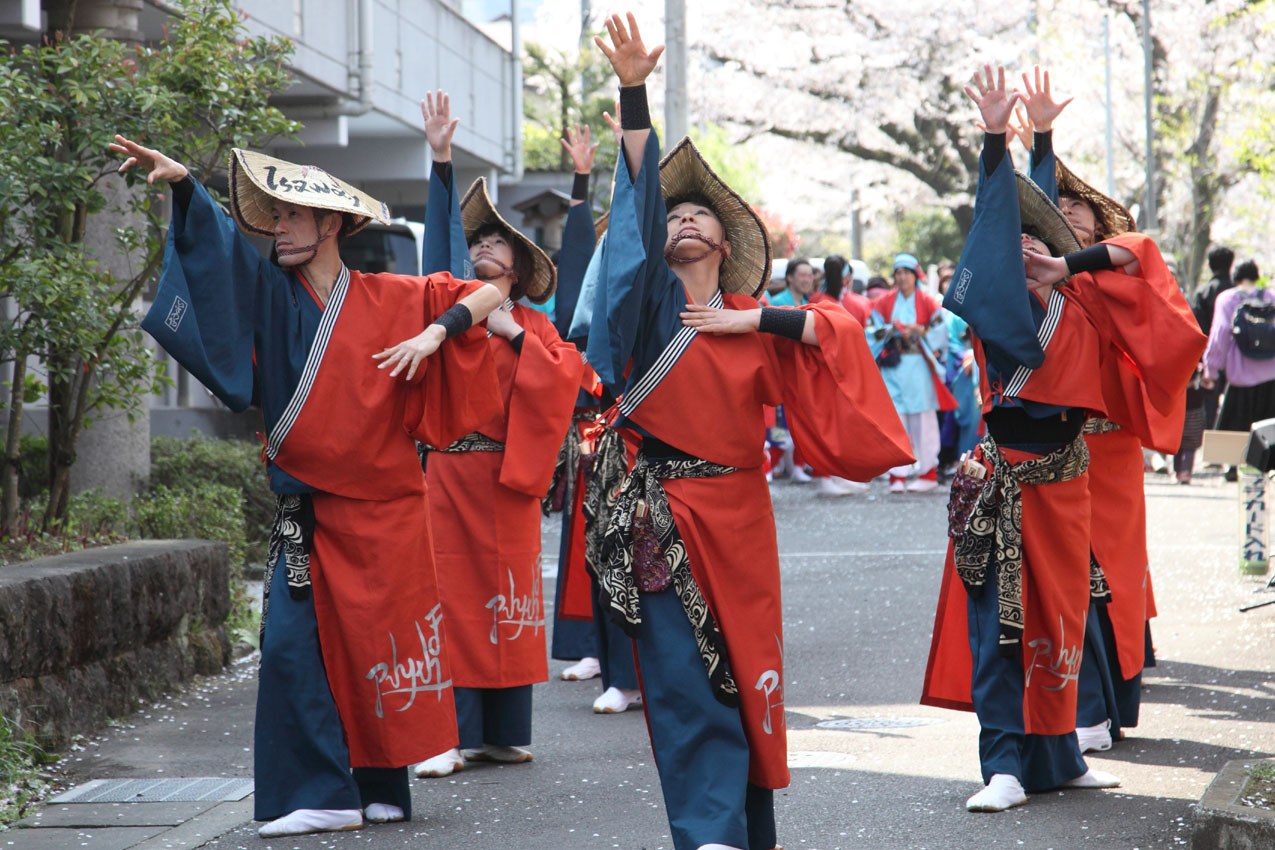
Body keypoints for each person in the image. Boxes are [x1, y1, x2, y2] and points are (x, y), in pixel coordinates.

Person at [114, 135, 505, 837]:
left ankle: (380, 784)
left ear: (332, 224)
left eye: (291, 216)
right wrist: (183, 190)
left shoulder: (392, 297)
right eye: (273, 217)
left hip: (388, 508)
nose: (277, 229)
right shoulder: (271, 293)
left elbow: (488, 291)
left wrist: (434, 334)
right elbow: (217, 258)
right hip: (308, 511)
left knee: (376, 645)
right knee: (295, 647)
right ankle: (317, 791)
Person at [588, 14, 913, 850]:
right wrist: (634, 93)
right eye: (673, 215)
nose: (683, 221)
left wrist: (751, 322)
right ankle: (707, 830)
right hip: (662, 512)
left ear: (728, 243)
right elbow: (634, 207)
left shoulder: (747, 316)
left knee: (740, 674)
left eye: (701, 215)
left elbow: (833, 336)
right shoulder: (646, 309)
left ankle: (739, 826)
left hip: (739, 515)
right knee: (679, 673)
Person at [920, 65, 1200, 813]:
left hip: (1068, 478)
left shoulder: (1082, 303)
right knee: (1002, 626)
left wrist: (1042, 142)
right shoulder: (998, 316)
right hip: (1004, 481)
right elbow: (1000, 214)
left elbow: (1130, 251)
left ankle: (1063, 752)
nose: (1024, 249)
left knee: (1065, 617)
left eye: (1041, 240)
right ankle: (1003, 765)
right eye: (1010, 244)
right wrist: (992, 140)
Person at [412, 92, 586, 778]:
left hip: (508, 477)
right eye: (476, 242)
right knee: (448, 599)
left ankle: (504, 731)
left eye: (496, 244)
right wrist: (440, 158)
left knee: (507, 602)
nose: (482, 248)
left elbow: (564, 383)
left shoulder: (532, 328)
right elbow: (436, 253)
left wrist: (513, 333)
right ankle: (451, 735)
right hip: (448, 473)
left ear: (517, 268)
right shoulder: (446, 314)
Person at [866, 253, 956, 493]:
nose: (902, 276)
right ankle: (897, 475)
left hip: (918, 366)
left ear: (915, 275)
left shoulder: (927, 301)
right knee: (894, 421)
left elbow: (940, 331)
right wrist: (889, 330)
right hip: (892, 367)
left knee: (923, 421)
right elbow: (870, 330)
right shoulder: (883, 302)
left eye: (906, 272)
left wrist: (921, 330)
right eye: (898, 272)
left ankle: (927, 473)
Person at [1205, 260, 1275, 437]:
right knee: (1268, 441)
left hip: (1241, 381)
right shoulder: (1271, 298)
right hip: (1271, 380)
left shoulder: (1228, 299)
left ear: (1235, 278)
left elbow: (1219, 335)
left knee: (1236, 442)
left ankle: (1234, 466)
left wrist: (1211, 371)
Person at [1193, 246, 1235, 432]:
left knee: (1209, 402)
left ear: (1209, 265)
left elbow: (1197, 329)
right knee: (1233, 402)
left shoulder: (1204, 292)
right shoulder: (1237, 292)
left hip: (1209, 356)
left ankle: (1211, 448)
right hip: (1236, 357)